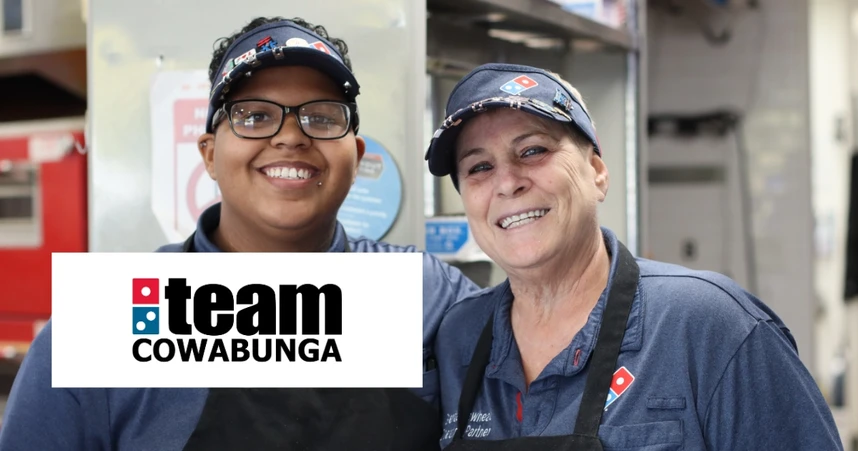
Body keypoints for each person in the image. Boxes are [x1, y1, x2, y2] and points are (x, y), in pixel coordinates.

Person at [0, 17, 480, 451]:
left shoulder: (424, 293)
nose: (291, 136)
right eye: (253, 116)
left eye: (322, 116)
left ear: (354, 157)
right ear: (209, 153)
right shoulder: (115, 317)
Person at [423, 62, 844, 450]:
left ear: (598, 173)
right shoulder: (459, 334)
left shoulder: (709, 325)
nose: (508, 182)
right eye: (479, 167)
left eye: (533, 150)